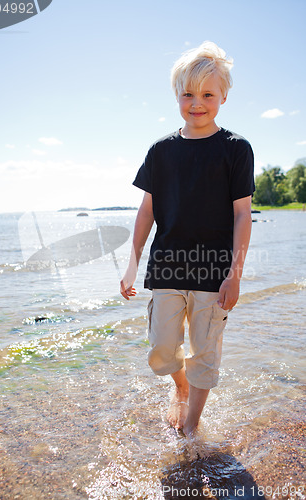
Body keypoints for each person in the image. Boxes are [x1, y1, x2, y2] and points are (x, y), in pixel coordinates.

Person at [120, 41, 255, 438]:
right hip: (166, 268)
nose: (198, 103)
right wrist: (132, 263)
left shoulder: (236, 149)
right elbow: (147, 210)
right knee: (162, 351)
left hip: (214, 273)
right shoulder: (160, 151)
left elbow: (242, 213)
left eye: (208, 94)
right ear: (177, 95)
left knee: (205, 353)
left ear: (223, 97)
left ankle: (190, 427)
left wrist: (236, 274)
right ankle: (179, 384)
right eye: (189, 94)